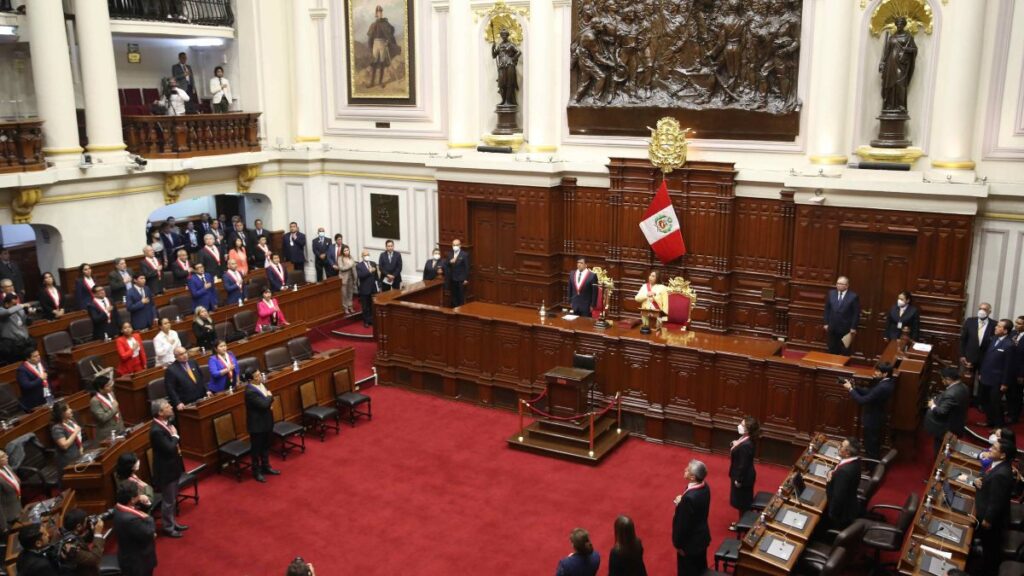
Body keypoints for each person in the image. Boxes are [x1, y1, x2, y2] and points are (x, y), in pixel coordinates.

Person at [974, 437, 1015, 576]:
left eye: (994, 448)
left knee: (989, 549)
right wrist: (976, 481)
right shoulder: (998, 464)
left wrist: (987, 520)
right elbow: (985, 478)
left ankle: (983, 570)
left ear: (1003, 455)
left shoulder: (1002, 474)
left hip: (990, 520)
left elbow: (996, 501)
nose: (990, 449)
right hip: (983, 506)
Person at [150, 399, 187, 537]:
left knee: (172, 499)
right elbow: (169, 448)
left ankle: (172, 522)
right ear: (160, 413)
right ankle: (168, 527)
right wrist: (176, 436)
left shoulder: (166, 423)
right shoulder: (156, 430)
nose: (171, 407)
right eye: (167, 406)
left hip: (173, 467)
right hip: (166, 471)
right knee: (168, 501)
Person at [843, 362, 895, 459]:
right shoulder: (888, 382)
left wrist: (850, 389)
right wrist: (855, 387)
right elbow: (870, 392)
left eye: (878, 371)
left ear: (885, 374)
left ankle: (872, 466)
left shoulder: (882, 387)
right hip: (877, 417)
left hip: (873, 419)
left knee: (871, 446)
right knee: (872, 444)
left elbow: (862, 400)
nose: (875, 373)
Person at [672, 459, 710, 576]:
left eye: (687, 470)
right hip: (701, 538)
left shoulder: (689, 499)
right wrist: (682, 502)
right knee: (700, 569)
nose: (685, 470)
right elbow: (697, 509)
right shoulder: (705, 486)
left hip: (689, 545)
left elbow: (682, 525)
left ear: (693, 477)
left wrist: (678, 545)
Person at [924, 367, 970, 454]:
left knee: (940, 449)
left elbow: (941, 412)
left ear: (948, 379)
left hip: (946, 428)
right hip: (957, 421)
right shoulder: (964, 387)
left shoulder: (951, 394)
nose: (942, 381)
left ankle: (938, 460)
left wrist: (932, 405)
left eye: (942, 379)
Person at [244, 369, 279, 482]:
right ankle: (256, 471)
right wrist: (270, 397)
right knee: (256, 450)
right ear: (251, 379)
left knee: (265, 446)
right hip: (257, 426)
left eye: (260, 374)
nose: (260, 377)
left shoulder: (262, 384)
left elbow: (267, 402)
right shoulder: (250, 391)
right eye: (257, 376)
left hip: (266, 422)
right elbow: (264, 404)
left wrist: (268, 400)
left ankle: (266, 467)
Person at [978, 319, 1015, 428]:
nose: (995, 327)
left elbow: (1009, 366)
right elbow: (987, 358)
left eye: (999, 326)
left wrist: (1005, 383)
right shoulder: (994, 339)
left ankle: (998, 426)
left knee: (995, 404)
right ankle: (990, 421)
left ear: (1005, 331)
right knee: (985, 401)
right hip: (986, 376)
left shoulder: (1009, 345)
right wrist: (981, 372)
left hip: (997, 380)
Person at [113, 482, 157, 575]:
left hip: (128, 554)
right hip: (138, 561)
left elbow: (136, 510)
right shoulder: (130, 519)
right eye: (138, 493)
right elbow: (149, 531)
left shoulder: (119, 507)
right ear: (132, 499)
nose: (140, 494)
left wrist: (143, 501)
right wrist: (149, 518)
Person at [729, 416, 759, 531]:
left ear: (747, 429)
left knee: (743, 503)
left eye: (742, 425)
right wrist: (735, 444)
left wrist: (738, 480)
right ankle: (742, 522)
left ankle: (742, 526)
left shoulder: (746, 445)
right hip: (745, 475)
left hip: (743, 478)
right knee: (743, 502)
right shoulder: (746, 439)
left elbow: (743, 465)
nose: (739, 426)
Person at [824, 437, 861, 530]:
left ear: (847, 453)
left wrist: (831, 515)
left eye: (841, 446)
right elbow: (837, 467)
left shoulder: (843, 472)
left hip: (841, 516)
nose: (838, 447)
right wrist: (831, 472)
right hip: (850, 503)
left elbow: (838, 498)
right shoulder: (855, 461)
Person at [57, 507, 106, 576]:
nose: (88, 523)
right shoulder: (71, 547)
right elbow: (95, 559)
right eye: (86, 521)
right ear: (79, 526)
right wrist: (97, 533)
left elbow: (83, 539)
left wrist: (91, 530)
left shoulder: (67, 533)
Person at [823, 276, 860, 355]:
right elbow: (827, 309)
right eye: (838, 283)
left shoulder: (853, 296)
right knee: (832, 348)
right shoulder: (831, 293)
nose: (839, 285)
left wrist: (853, 327)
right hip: (832, 327)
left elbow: (856, 313)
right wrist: (826, 323)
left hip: (846, 328)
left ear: (847, 285)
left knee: (844, 350)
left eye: (841, 284)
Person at [366, 5, 398, 88]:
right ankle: (372, 82)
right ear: (376, 14)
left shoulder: (385, 23)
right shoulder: (373, 24)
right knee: (374, 62)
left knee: (382, 62)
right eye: (378, 12)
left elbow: (391, 30)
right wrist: (370, 45)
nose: (380, 13)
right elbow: (370, 36)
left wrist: (388, 41)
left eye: (381, 12)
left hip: (383, 44)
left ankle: (380, 82)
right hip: (375, 44)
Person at [51, 401, 83, 481]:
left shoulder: (71, 421)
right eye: (68, 409)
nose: (71, 410)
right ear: (62, 413)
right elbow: (64, 445)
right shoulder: (56, 428)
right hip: (67, 461)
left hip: (77, 455)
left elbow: (78, 438)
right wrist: (75, 432)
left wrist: (81, 448)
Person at [960, 302, 994, 374]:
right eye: (980, 309)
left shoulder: (994, 324)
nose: (981, 311)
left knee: (982, 378)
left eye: (984, 309)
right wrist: (962, 355)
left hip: (985, 358)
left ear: (989, 312)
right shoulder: (970, 321)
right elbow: (963, 339)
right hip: (969, 357)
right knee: (968, 377)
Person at [0, 292, 34, 364]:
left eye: (17, 303)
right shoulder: (2, 310)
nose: (17, 306)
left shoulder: (20, 310)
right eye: (14, 304)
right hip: (11, 345)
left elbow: (26, 323)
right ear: (6, 304)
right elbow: (8, 312)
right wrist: (21, 305)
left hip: (24, 342)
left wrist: (29, 315)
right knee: (17, 364)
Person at [90, 372, 125, 441]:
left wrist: (122, 426)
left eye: (110, 384)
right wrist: (114, 408)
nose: (111, 386)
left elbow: (118, 412)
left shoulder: (111, 393)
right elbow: (103, 418)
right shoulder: (95, 401)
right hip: (108, 434)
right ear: (100, 389)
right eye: (108, 385)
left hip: (120, 428)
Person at [356, 250, 380, 328]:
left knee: (372, 306)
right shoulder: (359, 265)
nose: (367, 256)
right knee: (365, 306)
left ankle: (371, 320)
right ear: (362, 256)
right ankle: (366, 321)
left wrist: (378, 286)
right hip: (364, 289)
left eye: (368, 254)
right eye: (365, 255)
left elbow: (376, 276)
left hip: (373, 288)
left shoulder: (373, 263)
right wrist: (369, 271)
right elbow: (360, 276)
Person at [0, 450, 22, 529]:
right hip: (9, 515)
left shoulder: (6, 466)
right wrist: (4, 526)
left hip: (18, 506)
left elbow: (15, 482)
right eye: (3, 457)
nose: (7, 457)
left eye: (5, 454)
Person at [446, 239, 469, 307]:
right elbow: (446, 264)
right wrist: (450, 262)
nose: (455, 246)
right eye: (454, 245)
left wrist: (466, 279)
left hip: (461, 279)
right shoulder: (449, 254)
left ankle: (461, 308)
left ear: (460, 245)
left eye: (457, 245)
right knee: (453, 295)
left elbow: (467, 267)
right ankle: (455, 308)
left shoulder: (464, 254)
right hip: (452, 278)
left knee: (461, 295)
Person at [1010, 315, 1024, 423]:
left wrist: (1021, 375)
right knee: (1010, 393)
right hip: (1009, 369)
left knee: (1017, 394)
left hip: (1020, 371)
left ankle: (1015, 416)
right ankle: (1010, 411)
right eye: (1016, 322)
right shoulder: (1012, 333)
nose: (1016, 325)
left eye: (1019, 323)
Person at [338, 245, 356, 314]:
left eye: (347, 250)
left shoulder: (351, 257)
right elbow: (341, 268)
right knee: (344, 294)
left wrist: (355, 277)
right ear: (342, 251)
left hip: (351, 277)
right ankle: (345, 308)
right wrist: (350, 265)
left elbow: (354, 267)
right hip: (344, 279)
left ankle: (350, 306)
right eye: (345, 250)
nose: (346, 252)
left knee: (350, 293)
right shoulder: (340, 258)